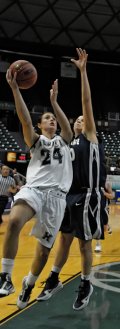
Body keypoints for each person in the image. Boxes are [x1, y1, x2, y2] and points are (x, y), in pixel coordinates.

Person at [37, 48, 106, 311]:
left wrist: (83, 72)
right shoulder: (68, 140)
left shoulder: (89, 136)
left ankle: (87, 282)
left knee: (84, 242)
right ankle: (54, 277)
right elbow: (61, 123)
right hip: (68, 195)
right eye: (75, 119)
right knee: (63, 239)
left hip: (88, 195)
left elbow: (86, 105)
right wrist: (54, 102)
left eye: (81, 119)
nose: (79, 120)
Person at [0, 72, 73, 310]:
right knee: (13, 222)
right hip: (34, 190)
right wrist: (15, 89)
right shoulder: (36, 140)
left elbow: (67, 128)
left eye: (53, 119)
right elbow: (24, 120)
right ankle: (6, 277)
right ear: (40, 125)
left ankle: (29, 283)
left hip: (56, 199)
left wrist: (54, 102)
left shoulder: (64, 140)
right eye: (47, 119)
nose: (51, 121)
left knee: (42, 254)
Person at [95, 180, 114, 252]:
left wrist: (104, 193)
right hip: (94, 208)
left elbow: (112, 196)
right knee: (98, 226)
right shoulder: (92, 181)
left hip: (104, 208)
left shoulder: (107, 183)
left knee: (104, 227)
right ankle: (98, 245)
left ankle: (107, 226)